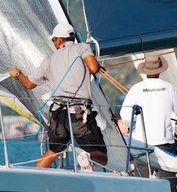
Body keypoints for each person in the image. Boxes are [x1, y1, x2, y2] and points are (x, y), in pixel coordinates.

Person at [9, 24, 107, 169]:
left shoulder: (49, 60)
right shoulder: (82, 48)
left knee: (54, 150)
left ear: (60, 40)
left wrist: (18, 74)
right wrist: (94, 64)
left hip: (58, 114)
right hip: (79, 113)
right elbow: (93, 68)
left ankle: (37, 177)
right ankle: (85, 156)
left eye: (54, 40)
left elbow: (29, 84)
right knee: (101, 156)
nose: (54, 43)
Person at [118, 55, 177, 183]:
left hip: (141, 144)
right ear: (160, 70)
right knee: (169, 184)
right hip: (165, 144)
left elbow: (125, 115)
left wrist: (132, 125)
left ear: (145, 70)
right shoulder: (169, 88)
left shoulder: (136, 89)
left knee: (143, 184)